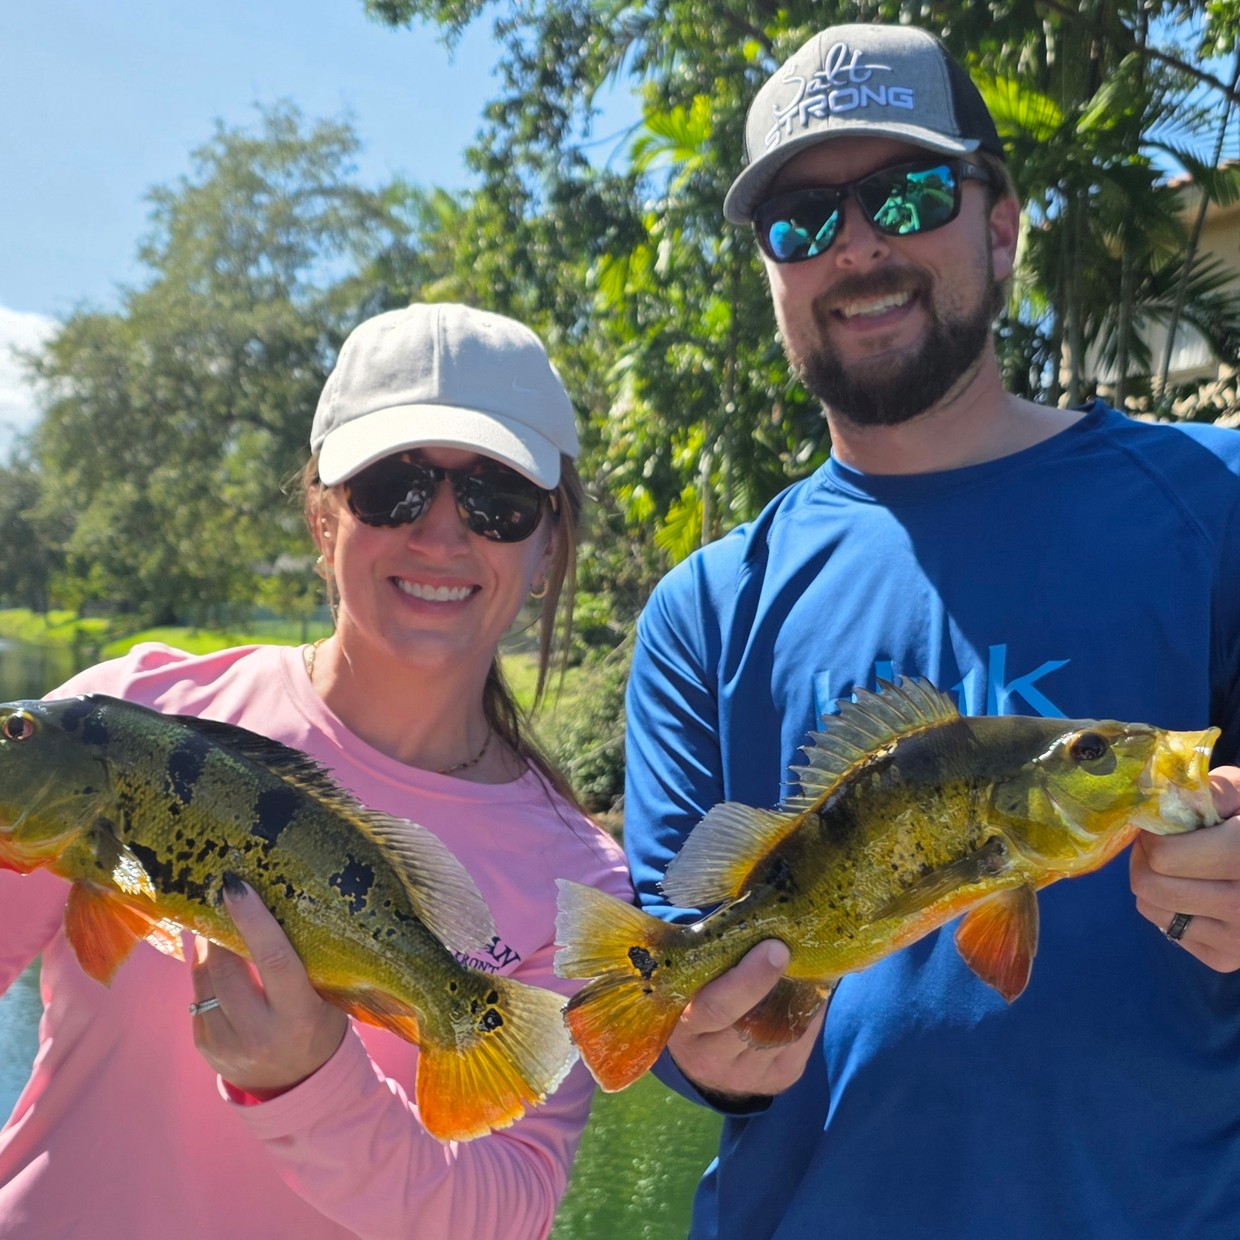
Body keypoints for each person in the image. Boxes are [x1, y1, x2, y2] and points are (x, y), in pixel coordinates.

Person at [622, 22, 1240, 1240]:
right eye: (799, 220)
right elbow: (672, 1006)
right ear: (770, 274)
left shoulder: (1217, 506)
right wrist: (708, 1047)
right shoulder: (705, 608)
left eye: (905, 191)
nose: (856, 245)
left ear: (1000, 222)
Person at [0, 302, 631, 1239]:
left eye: (498, 499)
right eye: (394, 488)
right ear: (322, 516)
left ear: (546, 546)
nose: (443, 533)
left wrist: (309, 1080)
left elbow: (502, 1213)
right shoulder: (122, 713)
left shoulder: (578, 879)